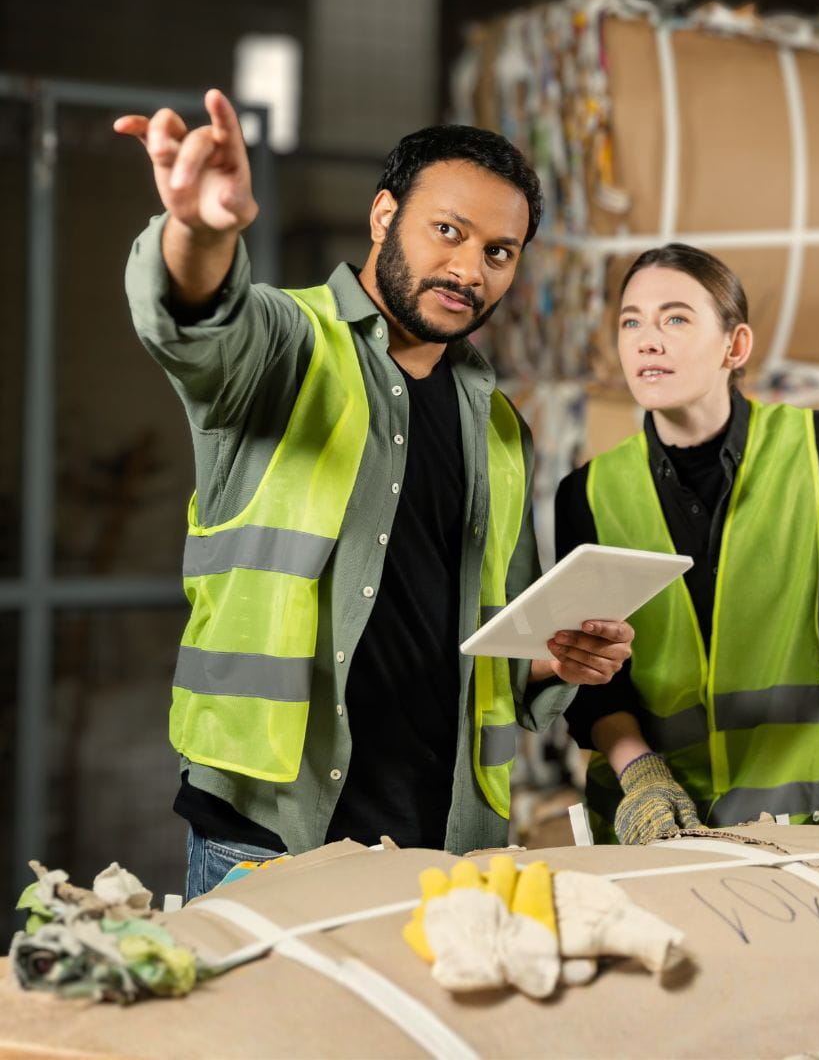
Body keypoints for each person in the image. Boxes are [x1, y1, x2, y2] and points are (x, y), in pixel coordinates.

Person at [116, 89, 634, 898]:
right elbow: (198, 320)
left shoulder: (499, 427)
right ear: (384, 215)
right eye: (448, 231)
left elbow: (494, 644)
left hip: (448, 841)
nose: (469, 270)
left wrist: (554, 660)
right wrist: (203, 232)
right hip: (269, 839)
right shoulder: (288, 348)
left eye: (500, 252)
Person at [555, 243, 819, 847]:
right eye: (630, 322)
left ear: (735, 346)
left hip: (800, 821)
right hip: (652, 823)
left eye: (675, 318)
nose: (647, 341)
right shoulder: (587, 492)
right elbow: (590, 667)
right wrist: (639, 775)